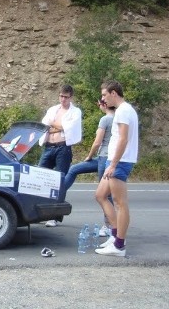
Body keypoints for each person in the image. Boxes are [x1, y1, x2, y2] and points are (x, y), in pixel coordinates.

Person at [95, 80, 139, 257]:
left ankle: (119, 245)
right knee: (100, 195)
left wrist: (113, 164)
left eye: (105, 95)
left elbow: (123, 139)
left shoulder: (123, 111)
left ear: (114, 93)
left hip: (119, 161)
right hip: (115, 160)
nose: (103, 99)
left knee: (120, 203)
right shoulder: (124, 110)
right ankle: (115, 236)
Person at [64, 98, 115, 236]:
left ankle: (109, 225)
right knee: (74, 169)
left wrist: (89, 156)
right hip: (105, 158)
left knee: (105, 194)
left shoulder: (105, 119)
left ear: (104, 104)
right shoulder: (118, 119)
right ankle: (60, 192)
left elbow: (97, 142)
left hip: (104, 158)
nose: (99, 106)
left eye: (99, 104)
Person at [39, 84, 82, 227]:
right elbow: (45, 125)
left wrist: (55, 126)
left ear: (71, 97)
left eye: (66, 97)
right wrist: (56, 127)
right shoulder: (53, 110)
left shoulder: (75, 112)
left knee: (59, 181)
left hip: (63, 148)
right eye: (61, 96)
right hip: (48, 147)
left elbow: (68, 128)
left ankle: (54, 216)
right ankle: (42, 212)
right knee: (40, 176)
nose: (63, 99)